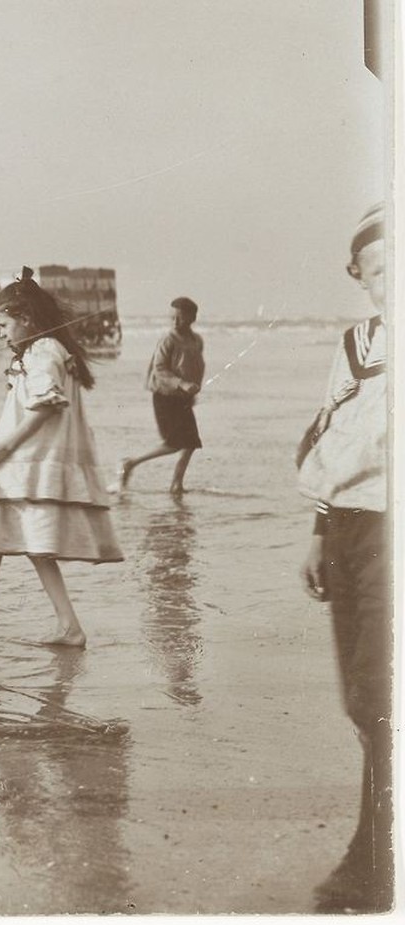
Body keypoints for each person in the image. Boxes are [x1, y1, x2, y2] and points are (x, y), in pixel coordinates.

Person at [0, 267, 121, 647]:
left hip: (31, 461)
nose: (2, 333)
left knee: (9, 535)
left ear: (26, 319)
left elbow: (46, 405)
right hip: (34, 461)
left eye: (5, 324)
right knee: (10, 537)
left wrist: (5, 445)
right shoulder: (49, 350)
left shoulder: (44, 352)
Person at [298, 203, 390, 913]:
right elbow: (331, 437)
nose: (391, 281)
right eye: (377, 269)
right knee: (361, 698)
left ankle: (372, 860)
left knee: (382, 694)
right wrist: (320, 531)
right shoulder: (359, 343)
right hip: (353, 531)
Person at [116, 297, 206, 494]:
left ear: (192, 318)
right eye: (172, 317)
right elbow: (159, 369)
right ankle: (131, 462)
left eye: (180, 318)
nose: (175, 322)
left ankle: (176, 484)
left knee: (191, 443)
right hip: (165, 396)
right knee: (173, 444)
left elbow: (197, 366)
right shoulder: (168, 339)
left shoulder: (197, 340)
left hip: (183, 398)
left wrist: (192, 391)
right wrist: (182, 383)